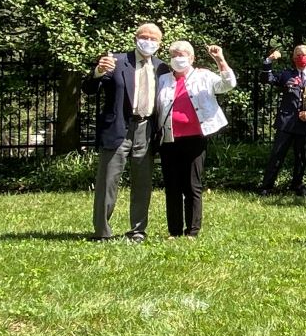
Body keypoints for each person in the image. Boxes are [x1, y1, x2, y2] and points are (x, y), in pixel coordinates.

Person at [85, 23, 165, 243]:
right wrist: (99, 71)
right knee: (107, 182)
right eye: (144, 37)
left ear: (159, 43)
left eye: (154, 38)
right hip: (118, 127)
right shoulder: (117, 62)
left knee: (142, 183)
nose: (148, 41)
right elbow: (89, 88)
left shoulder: (162, 68)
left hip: (146, 130)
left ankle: (137, 231)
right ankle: (102, 231)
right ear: (135, 38)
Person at [155, 42, 236, 238]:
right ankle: (174, 231)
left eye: (181, 54)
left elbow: (228, 84)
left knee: (192, 186)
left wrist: (220, 59)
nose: (177, 58)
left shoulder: (204, 76)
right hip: (169, 139)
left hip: (194, 139)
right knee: (172, 186)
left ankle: (192, 231)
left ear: (191, 58)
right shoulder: (163, 79)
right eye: (173, 54)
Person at [258, 44, 306, 196]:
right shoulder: (286, 74)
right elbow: (266, 79)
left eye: (303, 54)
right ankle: (266, 187)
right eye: (297, 55)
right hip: (286, 123)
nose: (300, 57)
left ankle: (297, 185)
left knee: (301, 157)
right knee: (277, 155)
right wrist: (268, 60)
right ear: (293, 58)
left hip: (305, 124)